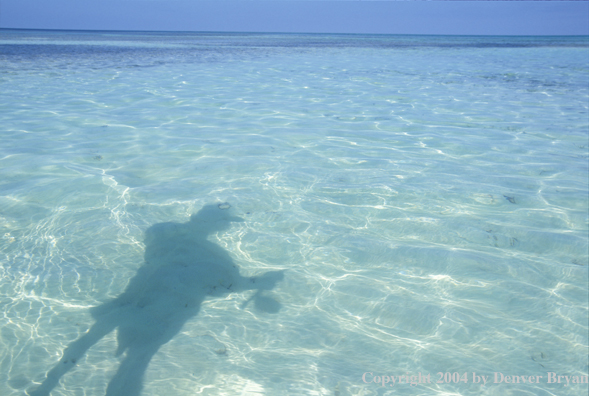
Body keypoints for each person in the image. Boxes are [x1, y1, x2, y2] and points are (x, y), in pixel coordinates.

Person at [29, 204, 283, 396]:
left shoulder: (162, 233)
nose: (227, 228)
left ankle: (47, 384)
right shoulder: (217, 258)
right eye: (226, 223)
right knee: (134, 363)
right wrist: (264, 281)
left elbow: (157, 247)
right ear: (220, 226)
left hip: (130, 301)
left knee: (87, 340)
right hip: (167, 316)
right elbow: (231, 286)